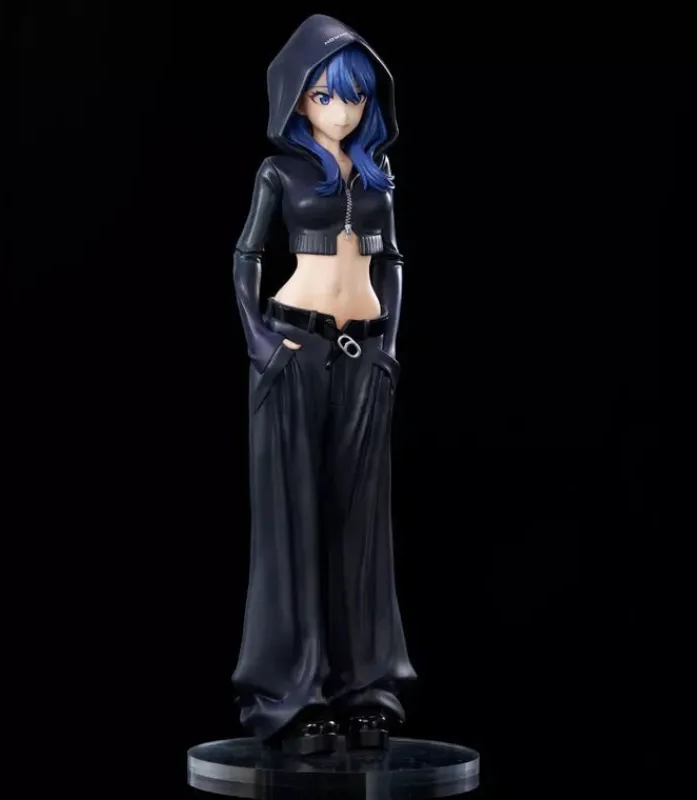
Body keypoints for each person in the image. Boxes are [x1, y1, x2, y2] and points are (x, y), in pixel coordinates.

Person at [231, 13, 417, 756]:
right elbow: (246, 255)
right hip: (293, 347)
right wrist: (257, 341)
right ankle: (292, 695)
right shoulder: (279, 173)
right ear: (297, 98)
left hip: (364, 353)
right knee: (293, 520)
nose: (342, 112)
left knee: (362, 524)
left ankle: (365, 689)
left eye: (356, 98)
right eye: (325, 96)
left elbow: (392, 262)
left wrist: (390, 347)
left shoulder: (377, 180)